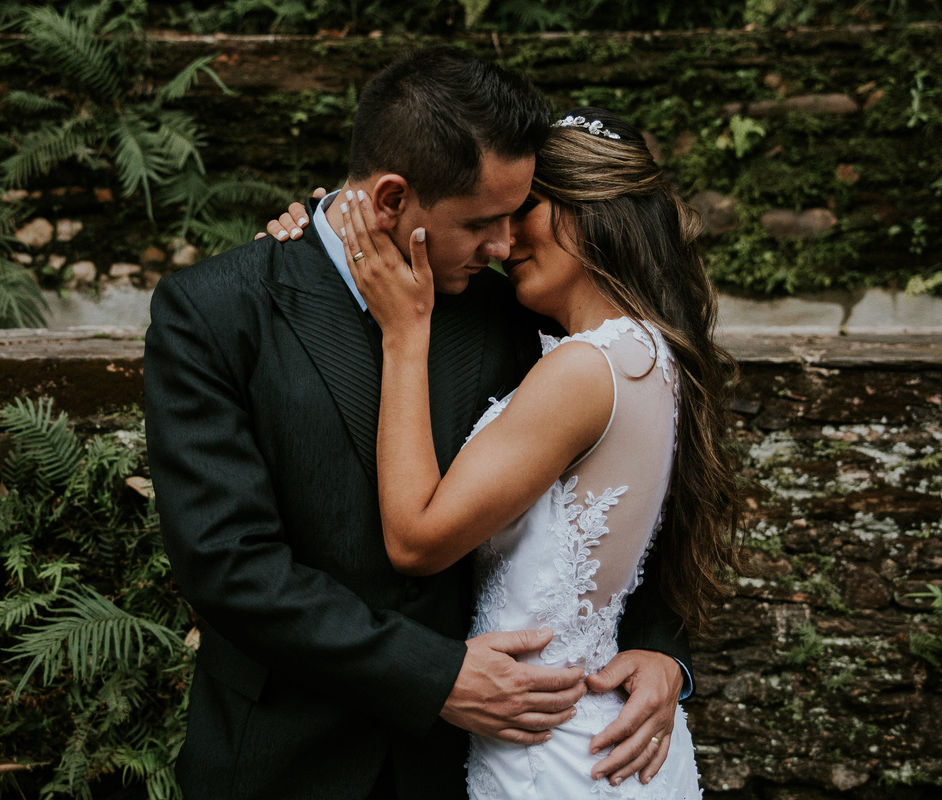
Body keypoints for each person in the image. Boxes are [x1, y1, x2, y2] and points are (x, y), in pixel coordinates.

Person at [144, 45, 693, 800]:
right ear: (394, 198)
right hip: (285, 764)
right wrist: (432, 676)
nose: (504, 246)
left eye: (516, 214)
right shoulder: (216, 312)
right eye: (483, 222)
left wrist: (660, 649)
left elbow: (619, 485)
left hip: (465, 768)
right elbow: (227, 564)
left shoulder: (508, 311)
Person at [334, 106, 743, 798]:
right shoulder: (652, 354)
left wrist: (405, 336)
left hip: (553, 753)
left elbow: (416, 540)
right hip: (587, 733)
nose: (501, 239)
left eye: (524, 210)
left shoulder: (586, 369)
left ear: (587, 212)